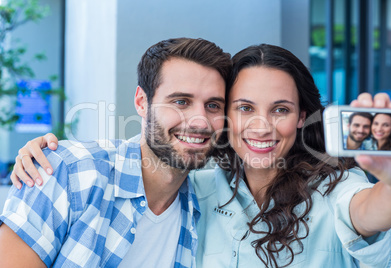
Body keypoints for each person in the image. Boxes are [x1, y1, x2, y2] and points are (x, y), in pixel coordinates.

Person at [7, 44, 391, 267]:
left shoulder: (334, 185)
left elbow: (368, 211)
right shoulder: (195, 185)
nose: (261, 127)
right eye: (244, 108)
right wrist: (55, 156)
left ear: (301, 117)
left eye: (279, 109)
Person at [0, 37, 232, 267]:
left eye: (213, 105)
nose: (200, 123)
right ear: (142, 102)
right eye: (181, 102)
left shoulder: (201, 206)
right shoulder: (69, 171)